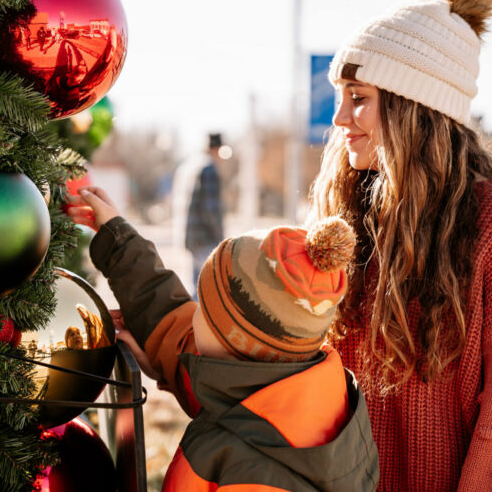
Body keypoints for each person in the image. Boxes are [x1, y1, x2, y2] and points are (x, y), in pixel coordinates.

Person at [304, 0, 492, 490]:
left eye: (359, 98)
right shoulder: (343, 220)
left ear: (412, 106)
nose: (339, 118)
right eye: (341, 96)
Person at [68, 187, 379, 491]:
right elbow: (171, 318)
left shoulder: (256, 475)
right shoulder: (275, 385)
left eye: (204, 308)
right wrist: (118, 239)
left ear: (233, 342)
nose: (193, 313)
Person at [172, 133, 225, 296]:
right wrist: (221, 239)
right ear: (217, 149)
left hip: (188, 234)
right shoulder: (209, 169)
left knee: (194, 284)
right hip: (205, 236)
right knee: (206, 289)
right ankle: (197, 321)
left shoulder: (188, 166)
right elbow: (211, 208)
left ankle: (191, 319)